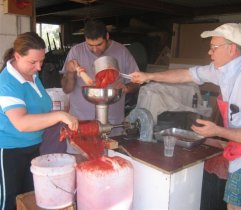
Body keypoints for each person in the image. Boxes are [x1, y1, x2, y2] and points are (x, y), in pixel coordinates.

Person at [130, 23, 241, 210]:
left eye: (214, 47)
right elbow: (185, 75)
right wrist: (148, 76)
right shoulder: (224, 71)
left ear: (231, 49)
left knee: (236, 207)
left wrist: (217, 131)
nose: (210, 52)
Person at [0, 32, 78, 210]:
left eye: (41, 61)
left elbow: (40, 108)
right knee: (10, 199)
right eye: (33, 62)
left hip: (33, 147)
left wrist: (61, 116)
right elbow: (22, 123)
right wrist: (58, 116)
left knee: (30, 197)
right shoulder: (6, 83)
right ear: (17, 56)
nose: (39, 67)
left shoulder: (33, 76)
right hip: (9, 151)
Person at [61, 19, 139, 153]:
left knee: (110, 165)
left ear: (107, 37)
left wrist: (127, 88)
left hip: (112, 126)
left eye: (99, 44)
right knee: (80, 166)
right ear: (85, 39)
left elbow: (136, 82)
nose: (95, 49)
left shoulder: (121, 51)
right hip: (81, 125)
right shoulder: (76, 52)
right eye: (90, 45)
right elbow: (66, 89)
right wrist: (70, 72)